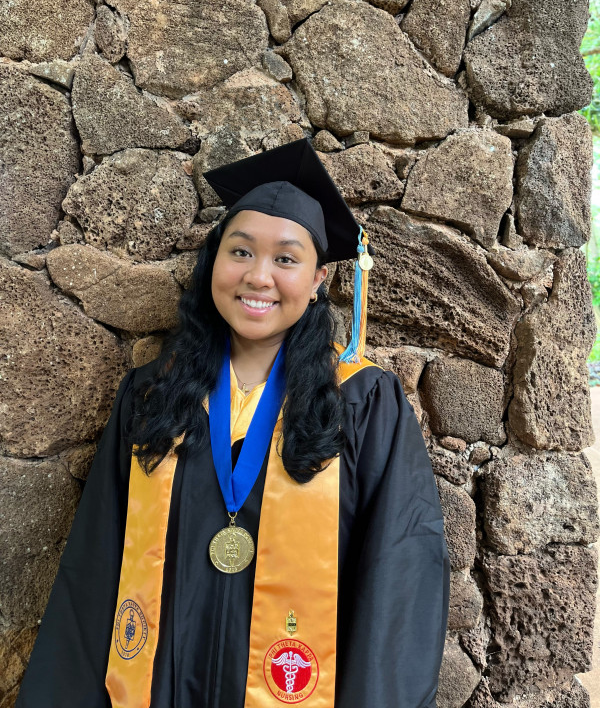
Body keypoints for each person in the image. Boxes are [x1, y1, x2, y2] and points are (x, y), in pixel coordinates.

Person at [15, 137, 450, 708]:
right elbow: (95, 567)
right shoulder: (153, 397)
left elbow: (400, 580)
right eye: (240, 252)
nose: (258, 276)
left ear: (319, 280)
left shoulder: (363, 405)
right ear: (214, 262)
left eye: (287, 259)